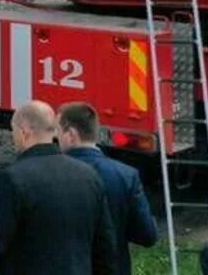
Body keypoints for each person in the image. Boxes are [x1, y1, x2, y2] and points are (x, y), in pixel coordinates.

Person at [0, 101, 115, 275]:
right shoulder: (89, 175)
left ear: (24, 132)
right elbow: (105, 247)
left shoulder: (13, 178)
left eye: (14, 131)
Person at [58, 102, 158, 275]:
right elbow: (147, 235)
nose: (56, 138)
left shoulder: (51, 175)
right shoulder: (126, 176)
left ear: (71, 135)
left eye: (58, 132)